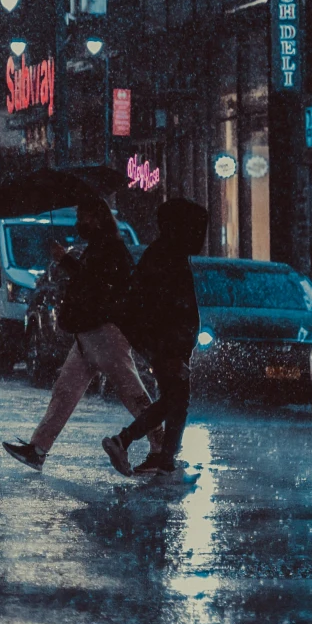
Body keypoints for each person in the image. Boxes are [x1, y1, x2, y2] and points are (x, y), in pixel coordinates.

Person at [4, 197, 153, 469]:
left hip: (104, 333)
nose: (78, 224)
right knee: (64, 392)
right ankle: (38, 449)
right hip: (87, 335)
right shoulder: (99, 247)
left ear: (96, 218)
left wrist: (65, 260)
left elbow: (97, 283)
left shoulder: (111, 248)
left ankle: (162, 448)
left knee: (131, 391)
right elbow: (91, 280)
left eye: (81, 217)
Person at [104, 198, 210, 474]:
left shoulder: (167, 254)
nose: (199, 236)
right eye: (196, 229)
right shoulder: (166, 258)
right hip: (168, 346)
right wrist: (169, 351)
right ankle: (138, 447)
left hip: (169, 345)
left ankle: (160, 456)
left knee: (173, 400)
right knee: (177, 401)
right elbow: (161, 310)